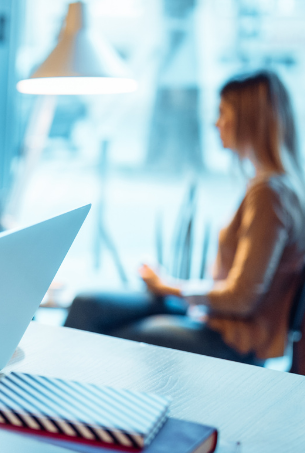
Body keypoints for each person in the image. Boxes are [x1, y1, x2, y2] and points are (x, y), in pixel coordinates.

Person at [65, 69, 305, 363]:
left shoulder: (269, 193)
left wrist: (167, 285)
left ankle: (57, 405)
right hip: (211, 317)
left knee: (113, 338)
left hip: (235, 338)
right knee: (88, 304)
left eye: (222, 112)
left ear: (248, 119)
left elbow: (241, 298)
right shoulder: (273, 186)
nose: (215, 123)